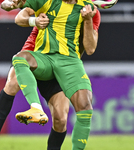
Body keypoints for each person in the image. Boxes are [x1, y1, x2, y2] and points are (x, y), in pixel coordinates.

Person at [0, 0, 100, 150]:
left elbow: (89, 48)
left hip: (64, 63)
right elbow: (16, 11)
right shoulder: (47, 2)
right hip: (36, 54)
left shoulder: (89, 10)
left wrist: (88, 19)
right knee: (12, 81)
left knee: (61, 119)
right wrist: (29, 17)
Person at [12, 0, 99, 150]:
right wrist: (34, 21)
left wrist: (87, 20)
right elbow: (19, 18)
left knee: (84, 107)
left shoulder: (88, 7)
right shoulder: (44, 0)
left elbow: (90, 49)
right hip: (44, 57)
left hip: (70, 61)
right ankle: (36, 108)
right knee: (20, 58)